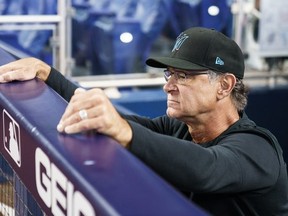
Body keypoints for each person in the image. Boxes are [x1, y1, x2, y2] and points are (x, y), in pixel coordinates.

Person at [0, 27, 287, 215]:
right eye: (169, 74)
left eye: (183, 76)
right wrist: (49, 75)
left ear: (224, 86)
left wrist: (124, 131)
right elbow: (121, 121)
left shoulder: (258, 149)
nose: (169, 85)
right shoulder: (181, 127)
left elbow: (206, 169)